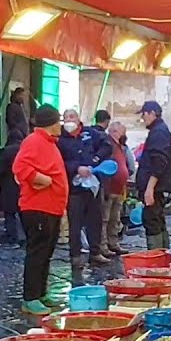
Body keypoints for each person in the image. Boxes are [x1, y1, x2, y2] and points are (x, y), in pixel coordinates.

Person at [12, 105, 69, 316]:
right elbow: (20, 167)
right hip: (37, 208)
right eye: (58, 121)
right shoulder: (34, 141)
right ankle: (30, 298)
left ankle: (40, 293)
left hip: (51, 208)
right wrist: (42, 180)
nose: (60, 125)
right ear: (51, 123)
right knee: (37, 253)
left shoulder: (49, 143)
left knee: (46, 253)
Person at [58, 108, 108, 269]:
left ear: (78, 118)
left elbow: (107, 146)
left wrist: (95, 160)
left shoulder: (91, 134)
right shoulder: (60, 139)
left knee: (95, 220)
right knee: (75, 222)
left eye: (72, 116)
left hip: (93, 186)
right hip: (74, 188)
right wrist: (76, 168)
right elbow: (59, 162)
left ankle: (95, 252)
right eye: (66, 117)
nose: (69, 120)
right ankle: (75, 256)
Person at [137, 100, 171, 250]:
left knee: (152, 220)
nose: (142, 118)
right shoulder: (159, 130)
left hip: (155, 187)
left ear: (152, 113)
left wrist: (150, 188)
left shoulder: (159, 132)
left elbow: (159, 161)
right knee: (157, 219)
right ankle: (163, 254)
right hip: (158, 186)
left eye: (144, 114)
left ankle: (156, 256)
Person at [86, 109, 118, 259]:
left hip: (93, 181)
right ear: (106, 122)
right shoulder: (101, 137)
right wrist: (97, 159)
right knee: (100, 217)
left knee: (100, 217)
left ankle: (97, 247)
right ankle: (98, 248)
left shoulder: (88, 135)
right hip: (98, 182)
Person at [100, 121, 132, 255]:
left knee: (115, 218)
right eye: (122, 132)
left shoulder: (120, 146)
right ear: (114, 132)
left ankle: (113, 243)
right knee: (105, 219)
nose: (124, 135)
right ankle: (103, 246)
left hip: (118, 188)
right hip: (110, 188)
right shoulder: (107, 145)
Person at [0, 127, 25, 245]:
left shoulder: (6, 151)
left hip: (8, 186)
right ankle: (26, 237)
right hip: (23, 185)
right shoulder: (25, 150)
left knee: (9, 213)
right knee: (23, 213)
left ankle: (12, 238)